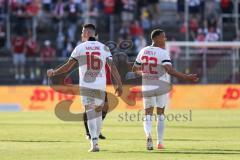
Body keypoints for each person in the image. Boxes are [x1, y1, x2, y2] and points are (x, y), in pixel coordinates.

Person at [47, 24, 122, 152]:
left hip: (86, 85)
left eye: (82, 32)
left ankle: (94, 143)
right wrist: (119, 83)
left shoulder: (80, 48)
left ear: (87, 33)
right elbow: (112, 67)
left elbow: (68, 67)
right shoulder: (104, 47)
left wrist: (54, 72)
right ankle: (96, 139)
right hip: (100, 85)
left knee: (90, 112)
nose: (81, 34)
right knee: (98, 113)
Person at [132, 29, 199, 150]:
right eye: (163, 37)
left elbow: (134, 69)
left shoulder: (143, 51)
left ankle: (148, 135)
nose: (165, 39)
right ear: (156, 38)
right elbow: (170, 70)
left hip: (147, 85)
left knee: (147, 113)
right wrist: (186, 77)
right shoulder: (163, 53)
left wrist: (144, 74)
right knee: (161, 113)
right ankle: (160, 142)